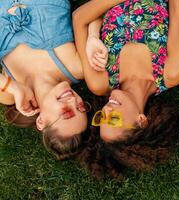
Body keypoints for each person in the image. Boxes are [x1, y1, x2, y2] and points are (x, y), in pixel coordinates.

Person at [72, 0, 179, 178]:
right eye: (114, 119)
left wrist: (92, 38)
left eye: (102, 117)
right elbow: (177, 7)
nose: (107, 110)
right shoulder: (170, 73)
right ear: (141, 121)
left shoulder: (100, 82)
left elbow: (79, 18)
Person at [0, 0, 102, 159]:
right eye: (81, 107)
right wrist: (93, 37)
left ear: (41, 121)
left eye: (67, 112)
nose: (73, 101)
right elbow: (92, 15)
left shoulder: (9, 94)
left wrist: (13, 87)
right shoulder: (76, 67)